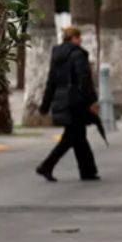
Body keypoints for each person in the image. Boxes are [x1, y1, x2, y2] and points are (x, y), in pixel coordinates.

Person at [37, 26, 99, 182]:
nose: (81, 40)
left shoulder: (57, 56)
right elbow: (84, 80)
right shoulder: (78, 55)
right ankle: (46, 165)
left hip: (62, 101)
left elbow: (51, 82)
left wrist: (45, 105)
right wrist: (91, 101)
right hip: (75, 102)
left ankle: (88, 171)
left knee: (79, 137)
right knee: (71, 137)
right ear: (73, 38)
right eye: (79, 37)